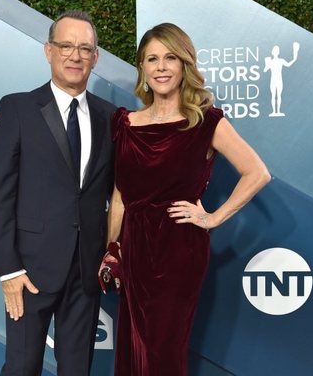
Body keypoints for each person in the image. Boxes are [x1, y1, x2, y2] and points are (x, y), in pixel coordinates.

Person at [99, 23, 271, 376]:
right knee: (134, 346)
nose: (161, 67)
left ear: (184, 65)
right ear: (143, 69)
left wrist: (212, 218)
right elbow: (119, 196)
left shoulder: (205, 122)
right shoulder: (125, 124)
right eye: (152, 59)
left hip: (178, 250)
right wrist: (112, 247)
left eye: (170, 57)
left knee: (163, 350)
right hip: (133, 249)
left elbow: (257, 172)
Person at [0, 10, 116, 375]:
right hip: (29, 271)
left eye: (85, 48)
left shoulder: (110, 117)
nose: (75, 55)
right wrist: (8, 269)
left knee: (77, 369)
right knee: (22, 367)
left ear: (95, 57)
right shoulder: (18, 108)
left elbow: (118, 192)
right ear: (48, 51)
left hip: (85, 271)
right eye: (66, 46)